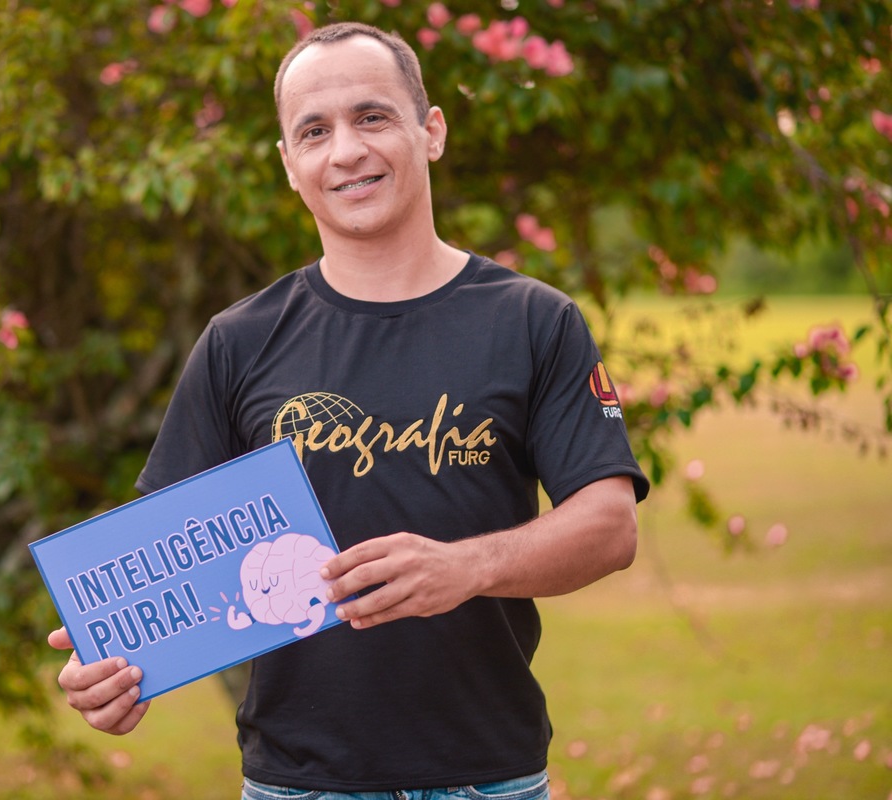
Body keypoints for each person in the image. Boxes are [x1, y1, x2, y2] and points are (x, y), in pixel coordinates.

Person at [48, 21, 649, 800]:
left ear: (431, 131)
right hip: (299, 783)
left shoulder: (533, 321)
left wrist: (465, 568)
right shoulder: (239, 342)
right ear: (289, 165)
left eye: (372, 117)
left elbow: (610, 527)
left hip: (486, 776)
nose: (346, 151)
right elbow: (167, 572)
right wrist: (110, 665)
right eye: (314, 131)